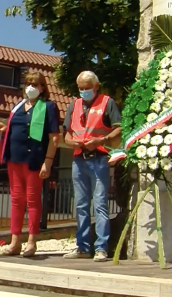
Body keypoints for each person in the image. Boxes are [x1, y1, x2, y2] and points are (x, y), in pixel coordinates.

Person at [62, 71, 122, 262]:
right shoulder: (74, 104)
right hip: (79, 159)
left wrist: (101, 140)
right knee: (80, 205)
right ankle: (82, 246)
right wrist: (71, 142)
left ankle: (101, 248)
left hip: (99, 158)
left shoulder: (107, 102)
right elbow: (67, 133)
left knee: (100, 204)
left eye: (87, 87)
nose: (84, 91)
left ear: (96, 86)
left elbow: (119, 127)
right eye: (81, 88)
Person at [0, 71, 60, 257]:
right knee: (16, 200)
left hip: (34, 160)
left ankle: (31, 242)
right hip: (14, 158)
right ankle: (14, 241)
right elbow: (15, 127)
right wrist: (5, 129)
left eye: (35, 84)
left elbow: (54, 138)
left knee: (33, 200)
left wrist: (48, 162)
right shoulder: (18, 106)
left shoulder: (48, 107)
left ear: (42, 88)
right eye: (27, 84)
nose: (30, 87)